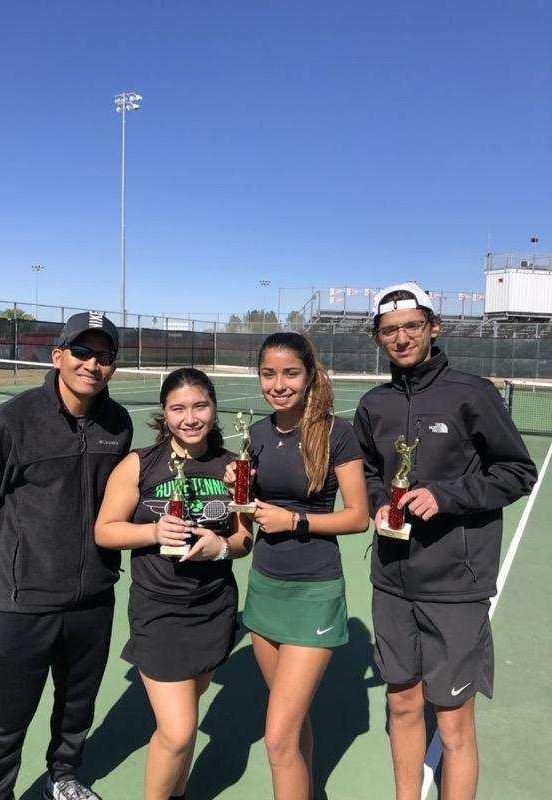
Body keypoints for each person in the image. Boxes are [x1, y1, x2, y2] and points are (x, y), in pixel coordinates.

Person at [353, 282, 538, 800]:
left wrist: (447, 496)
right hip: (391, 580)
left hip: (456, 584)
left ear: (434, 327)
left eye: (412, 326)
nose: (402, 338)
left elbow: (517, 472)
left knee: (454, 725)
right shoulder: (374, 404)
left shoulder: (471, 393)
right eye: (390, 331)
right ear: (378, 338)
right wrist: (375, 503)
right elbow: (367, 471)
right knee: (402, 706)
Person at [0, 312, 133, 800]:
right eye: (81, 352)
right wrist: (14, 559)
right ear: (58, 356)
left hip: (93, 598)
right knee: (5, 719)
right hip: (23, 602)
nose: (92, 365)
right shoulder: (13, 420)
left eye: (104, 357)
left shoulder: (117, 424)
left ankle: (64, 777)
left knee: (77, 708)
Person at [94, 368, 253, 800]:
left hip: (214, 608)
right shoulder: (139, 463)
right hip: (159, 612)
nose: (190, 417)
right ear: (164, 414)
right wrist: (152, 533)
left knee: (188, 715)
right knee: (179, 732)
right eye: (178, 408)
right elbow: (105, 530)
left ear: (214, 408)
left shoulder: (231, 467)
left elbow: (243, 539)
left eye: (199, 405)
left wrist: (219, 546)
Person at [225, 331, 369, 800]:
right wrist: (238, 488)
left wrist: (296, 520)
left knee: (277, 737)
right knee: (294, 721)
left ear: (309, 377)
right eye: (269, 374)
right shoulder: (258, 435)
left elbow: (357, 517)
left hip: (314, 593)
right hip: (265, 588)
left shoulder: (336, 433)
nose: (278, 384)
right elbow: (247, 518)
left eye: (290, 373)